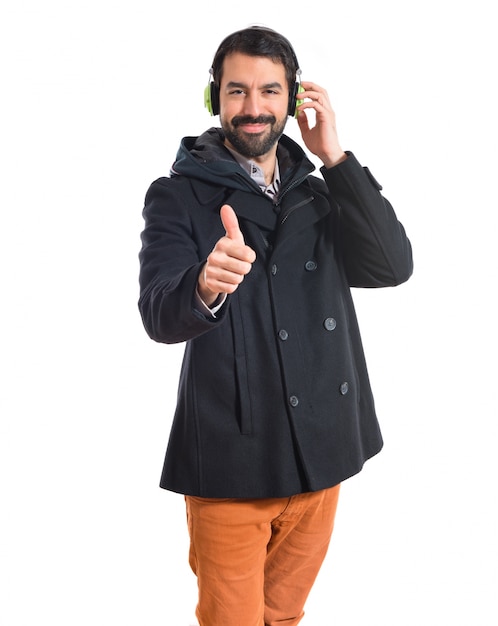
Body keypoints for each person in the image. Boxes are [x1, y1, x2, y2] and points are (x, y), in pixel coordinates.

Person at [138, 25, 413, 626]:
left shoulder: (321, 191)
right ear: (215, 99)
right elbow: (158, 313)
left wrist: (335, 157)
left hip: (324, 454)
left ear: (293, 98)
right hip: (231, 463)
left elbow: (392, 267)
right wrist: (204, 284)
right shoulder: (177, 196)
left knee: (283, 619)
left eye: (269, 91)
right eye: (237, 91)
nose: (254, 108)